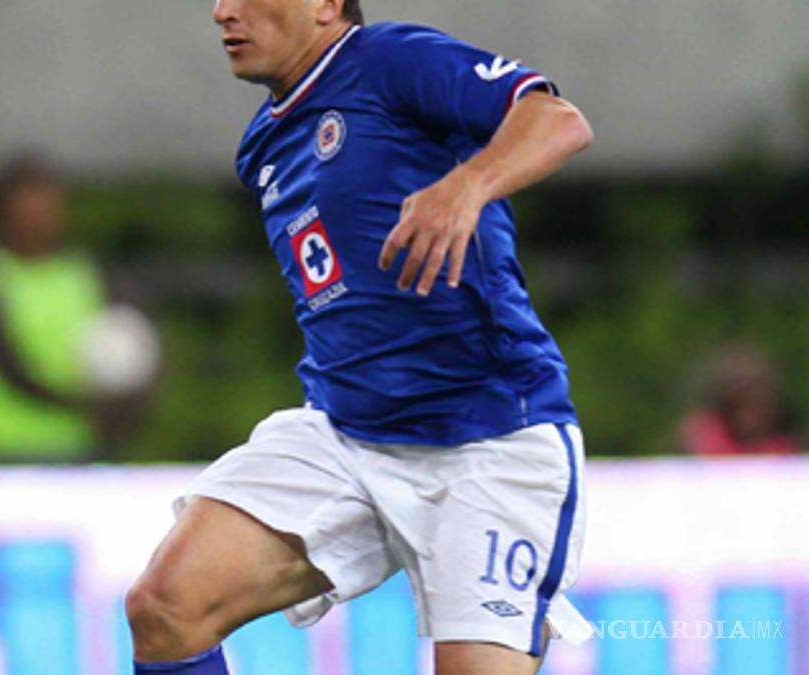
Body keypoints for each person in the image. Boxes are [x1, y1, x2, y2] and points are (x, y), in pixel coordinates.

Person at [126, 1, 594, 674]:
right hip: (347, 434)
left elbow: (557, 120)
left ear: (325, 4)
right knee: (166, 607)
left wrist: (466, 186)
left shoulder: (388, 60)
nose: (223, 11)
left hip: (487, 440)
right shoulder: (264, 145)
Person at [0, 154, 106, 462]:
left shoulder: (81, 273)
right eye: (28, 202)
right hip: (7, 449)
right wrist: (87, 405)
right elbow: (7, 365)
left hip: (80, 445)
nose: (40, 214)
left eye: (48, 203)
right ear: (2, 209)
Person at [680, 343, 800, 456]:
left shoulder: (783, 441)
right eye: (744, 398)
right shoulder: (704, 433)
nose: (754, 408)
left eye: (759, 397)